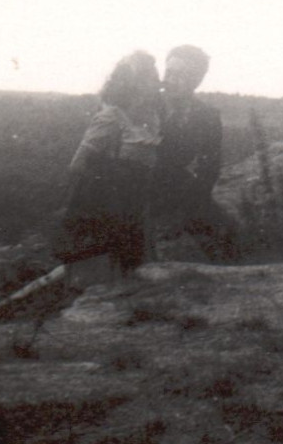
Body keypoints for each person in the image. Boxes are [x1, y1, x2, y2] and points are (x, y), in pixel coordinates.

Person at [54, 50, 162, 287]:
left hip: (135, 210)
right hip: (106, 210)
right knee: (102, 281)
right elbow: (77, 166)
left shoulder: (152, 117)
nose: (159, 83)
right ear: (135, 84)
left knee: (136, 279)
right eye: (152, 78)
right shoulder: (111, 118)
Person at [151, 45, 238, 261]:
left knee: (227, 235)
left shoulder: (208, 116)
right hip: (136, 185)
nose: (171, 80)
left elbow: (209, 169)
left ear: (197, 80)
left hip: (177, 188)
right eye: (169, 72)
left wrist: (190, 206)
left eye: (181, 75)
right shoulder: (145, 105)